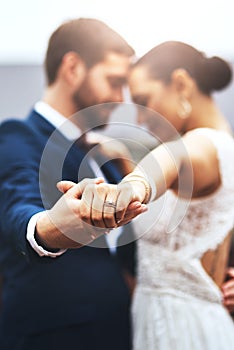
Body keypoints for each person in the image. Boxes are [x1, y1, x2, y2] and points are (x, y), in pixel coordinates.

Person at [0, 18, 146, 350]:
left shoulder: (104, 156)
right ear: (72, 67)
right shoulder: (17, 136)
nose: (121, 97)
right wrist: (50, 227)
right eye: (114, 81)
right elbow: (17, 208)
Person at [77, 41, 234, 349]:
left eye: (143, 101)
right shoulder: (219, 150)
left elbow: (173, 158)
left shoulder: (203, 144)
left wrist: (134, 185)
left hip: (185, 330)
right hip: (159, 322)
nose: (140, 119)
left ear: (181, 84)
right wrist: (122, 159)